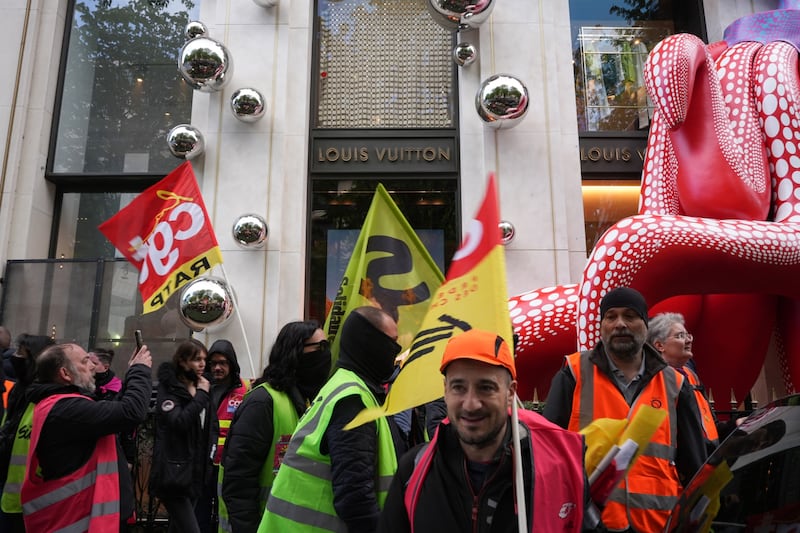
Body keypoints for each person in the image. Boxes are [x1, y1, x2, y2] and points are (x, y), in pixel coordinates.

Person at [378, 329, 591, 532]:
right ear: (445, 391)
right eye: (458, 387)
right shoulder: (414, 471)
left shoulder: (559, 470)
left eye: (486, 387)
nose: (471, 404)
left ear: (510, 392)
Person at [543, 287, 708, 533]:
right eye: (611, 317)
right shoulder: (574, 374)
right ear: (601, 326)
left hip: (659, 525)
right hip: (590, 524)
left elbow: (695, 465)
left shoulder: (675, 384)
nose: (620, 324)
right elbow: (548, 455)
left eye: (630, 316)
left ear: (644, 325)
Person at [259, 306, 404, 532]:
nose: (396, 352)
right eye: (391, 343)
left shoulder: (346, 387)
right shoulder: (352, 400)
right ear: (370, 344)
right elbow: (355, 499)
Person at [18, 342, 152, 530]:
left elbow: (114, 412)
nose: (92, 366)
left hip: (85, 517)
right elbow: (131, 412)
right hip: (79, 520)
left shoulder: (63, 404)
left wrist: (132, 373)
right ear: (65, 374)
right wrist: (140, 370)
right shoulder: (66, 409)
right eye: (85, 361)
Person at [219, 320, 331, 533]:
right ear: (295, 352)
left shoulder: (309, 402)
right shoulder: (262, 403)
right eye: (320, 348)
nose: (326, 355)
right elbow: (238, 483)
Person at [149, 338, 215, 533]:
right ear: (182, 361)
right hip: (174, 476)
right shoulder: (170, 389)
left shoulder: (202, 385)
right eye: (196, 359)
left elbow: (208, 425)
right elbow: (179, 422)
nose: (202, 364)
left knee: (179, 528)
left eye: (204, 359)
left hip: (195, 472)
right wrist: (202, 396)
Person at [648, 312, 735, 452]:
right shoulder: (656, 381)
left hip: (708, 465)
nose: (688, 340)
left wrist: (735, 425)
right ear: (659, 345)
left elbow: (710, 428)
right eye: (680, 336)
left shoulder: (691, 376)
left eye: (688, 335)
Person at [0, 334, 55, 533]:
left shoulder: (50, 396)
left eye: (21, 354)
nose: (14, 358)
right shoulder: (18, 391)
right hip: (9, 492)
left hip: (37, 498)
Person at [194, 339, 249, 532]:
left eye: (222, 363)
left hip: (228, 466)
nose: (217, 367)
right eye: (213, 363)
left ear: (231, 364)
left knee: (225, 515)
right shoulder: (201, 388)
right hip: (204, 465)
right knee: (199, 514)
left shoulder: (245, 391)